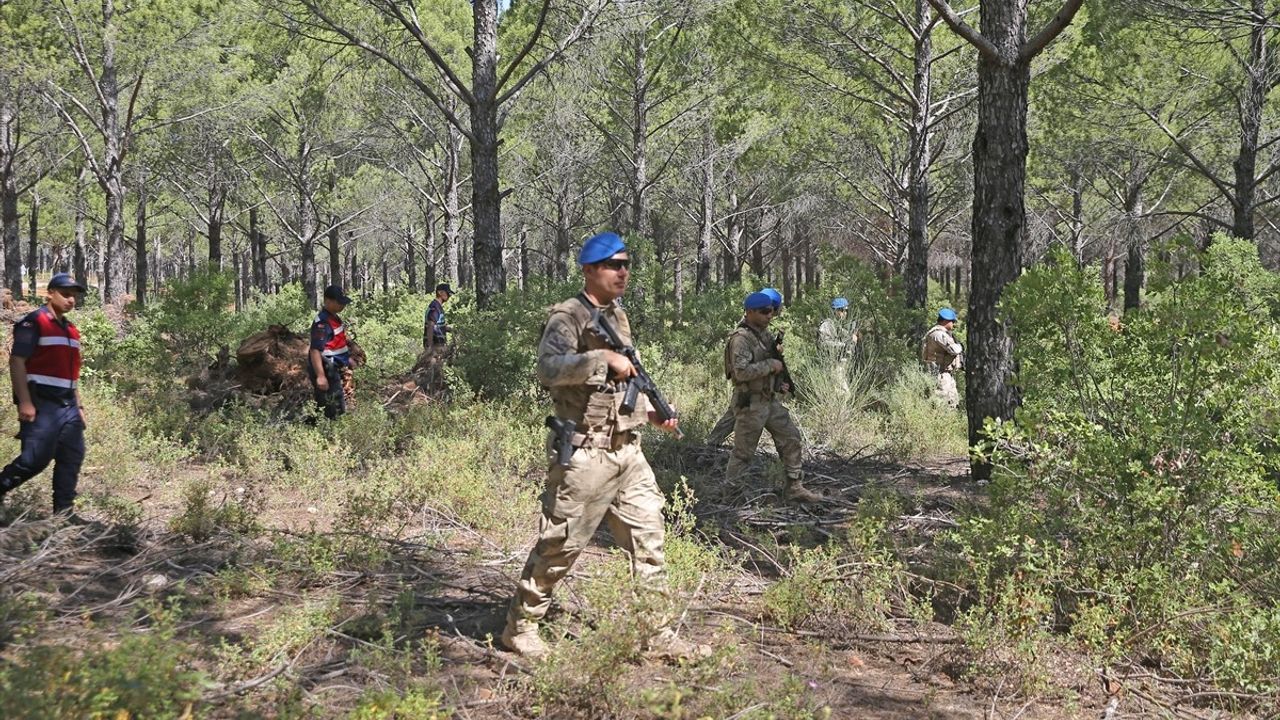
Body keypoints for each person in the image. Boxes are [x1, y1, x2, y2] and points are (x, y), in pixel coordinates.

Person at [502, 231, 702, 661]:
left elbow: (625, 382)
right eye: (613, 265)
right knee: (562, 544)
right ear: (589, 270)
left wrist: (650, 412)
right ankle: (521, 626)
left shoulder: (618, 316)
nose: (623, 272)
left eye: (626, 264)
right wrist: (601, 361)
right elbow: (548, 369)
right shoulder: (567, 316)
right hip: (586, 452)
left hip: (628, 451)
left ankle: (657, 632)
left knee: (649, 541)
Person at [0, 273, 88, 520]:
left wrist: (79, 406)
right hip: (42, 403)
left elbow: (71, 373)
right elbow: (17, 361)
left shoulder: (71, 330)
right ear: (50, 293)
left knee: (72, 455)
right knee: (34, 460)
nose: (71, 300)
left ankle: (64, 514)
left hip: (68, 404)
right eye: (66, 294)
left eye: (74, 296)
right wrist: (25, 401)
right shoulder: (33, 322)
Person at [723, 291, 821, 503]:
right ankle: (731, 495)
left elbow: (771, 363)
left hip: (769, 400)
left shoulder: (764, 334)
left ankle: (794, 487)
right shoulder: (741, 339)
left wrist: (779, 382)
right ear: (749, 312)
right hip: (750, 404)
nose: (770, 316)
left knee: (791, 438)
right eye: (764, 312)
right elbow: (740, 372)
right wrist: (770, 366)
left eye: (772, 311)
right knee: (743, 453)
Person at [705, 287, 782, 447]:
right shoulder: (745, 332)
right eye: (768, 311)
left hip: (761, 388)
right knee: (736, 413)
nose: (771, 315)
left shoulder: (761, 328)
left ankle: (712, 444)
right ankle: (711, 446)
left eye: (772, 311)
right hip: (748, 387)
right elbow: (743, 366)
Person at [308, 284, 355, 419]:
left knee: (335, 404)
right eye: (339, 302)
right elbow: (315, 350)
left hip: (334, 368)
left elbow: (335, 344)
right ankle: (327, 434)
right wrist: (320, 376)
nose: (342, 305)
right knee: (332, 408)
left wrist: (347, 359)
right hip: (326, 369)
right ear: (328, 301)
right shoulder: (322, 323)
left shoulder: (333, 318)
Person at [921, 307, 963, 409]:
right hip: (941, 375)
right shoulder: (939, 334)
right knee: (941, 405)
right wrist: (960, 346)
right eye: (952, 321)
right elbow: (954, 349)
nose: (953, 324)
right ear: (946, 321)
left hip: (945, 374)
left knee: (952, 403)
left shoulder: (938, 333)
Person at [423, 282, 453, 352]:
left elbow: (437, 326)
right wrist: (430, 347)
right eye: (447, 293)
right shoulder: (435, 307)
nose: (449, 295)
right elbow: (431, 325)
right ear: (440, 293)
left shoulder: (438, 306)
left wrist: (451, 330)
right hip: (435, 346)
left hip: (439, 345)